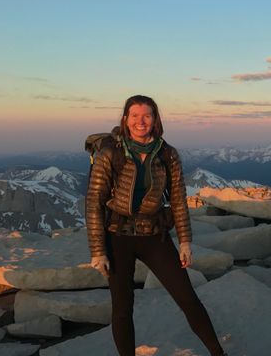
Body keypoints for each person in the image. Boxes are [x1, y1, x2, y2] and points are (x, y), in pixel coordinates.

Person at [86, 95, 226, 356]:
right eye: (135, 115)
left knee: (187, 298)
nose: (141, 121)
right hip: (117, 236)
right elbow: (94, 202)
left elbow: (177, 200)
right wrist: (98, 250)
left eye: (147, 115)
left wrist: (184, 241)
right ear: (125, 119)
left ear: (155, 119)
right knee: (122, 309)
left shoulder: (167, 153)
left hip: (154, 235)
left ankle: (218, 353)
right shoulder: (110, 153)